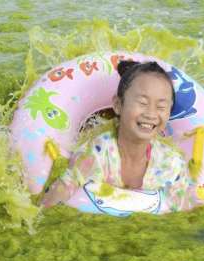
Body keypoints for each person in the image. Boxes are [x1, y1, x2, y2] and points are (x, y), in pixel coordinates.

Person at [42, 60, 193, 212]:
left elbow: (184, 216)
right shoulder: (95, 154)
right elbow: (59, 192)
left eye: (161, 106)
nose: (151, 114)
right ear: (118, 105)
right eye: (142, 102)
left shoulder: (171, 165)